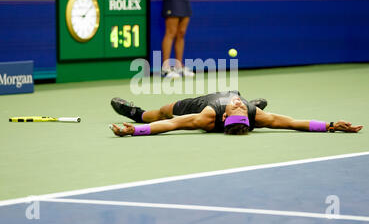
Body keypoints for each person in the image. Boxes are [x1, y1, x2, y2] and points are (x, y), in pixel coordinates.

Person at [109, 91, 363, 137]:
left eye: (238, 107)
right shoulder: (254, 115)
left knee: (164, 111)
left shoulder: (206, 117)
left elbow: (172, 125)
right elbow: (294, 123)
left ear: (224, 117)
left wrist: (137, 130)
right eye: (242, 107)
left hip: (199, 103)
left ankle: (137, 113)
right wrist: (331, 125)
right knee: (263, 110)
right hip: (232, 104)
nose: (240, 105)